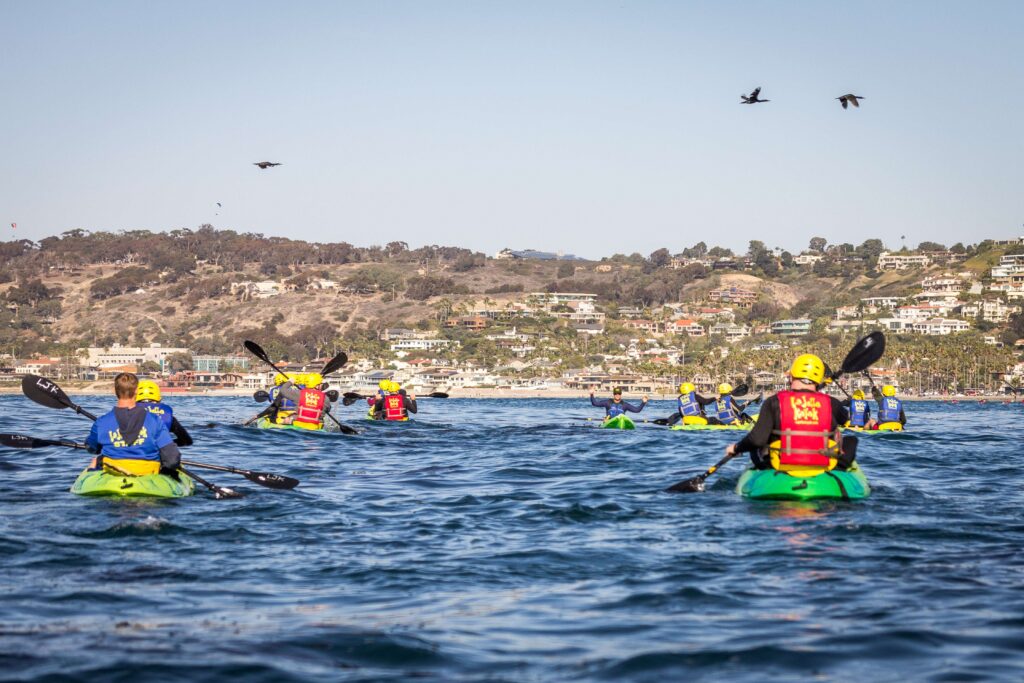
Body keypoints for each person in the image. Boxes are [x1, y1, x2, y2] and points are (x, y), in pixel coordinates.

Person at [723, 354, 857, 473]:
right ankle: (838, 471)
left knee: (759, 443)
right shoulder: (831, 403)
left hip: (781, 464)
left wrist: (736, 448)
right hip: (822, 463)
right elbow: (847, 421)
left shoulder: (774, 402)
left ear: (792, 376)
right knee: (850, 440)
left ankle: (766, 474)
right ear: (818, 381)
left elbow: (757, 439)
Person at [85, 372, 182, 478]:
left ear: (114, 391)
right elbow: (172, 458)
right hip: (147, 472)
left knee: (95, 461)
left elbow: (91, 448)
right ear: (136, 391)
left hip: (112, 471)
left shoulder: (101, 422)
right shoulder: (155, 421)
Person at [135, 379, 193, 446]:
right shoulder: (168, 416)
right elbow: (187, 441)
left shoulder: (128, 413)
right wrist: (166, 445)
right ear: (159, 398)